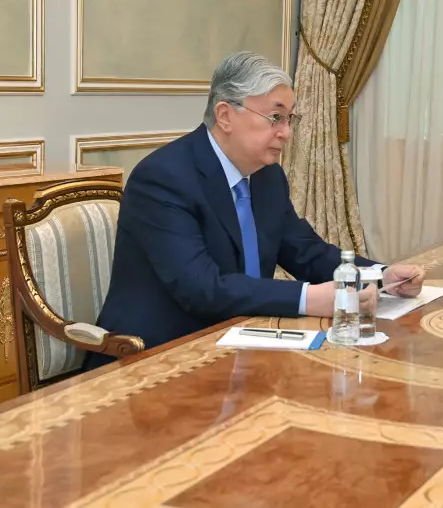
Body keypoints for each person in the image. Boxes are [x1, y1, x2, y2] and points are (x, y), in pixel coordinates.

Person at [84, 51, 424, 370]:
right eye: (275, 118)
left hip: (239, 342)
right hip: (154, 356)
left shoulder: (267, 176)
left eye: (290, 119)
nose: (286, 133)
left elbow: (305, 252)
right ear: (225, 115)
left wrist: (379, 276)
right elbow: (201, 288)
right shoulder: (163, 178)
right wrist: (310, 298)